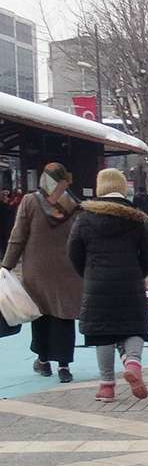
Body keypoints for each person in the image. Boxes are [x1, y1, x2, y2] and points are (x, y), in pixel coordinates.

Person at [68, 168, 148, 402]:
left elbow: (74, 251)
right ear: (122, 188)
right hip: (130, 282)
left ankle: (107, 387)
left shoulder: (84, 217)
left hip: (97, 284)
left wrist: (88, 273)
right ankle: (133, 364)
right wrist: (139, 273)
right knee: (134, 328)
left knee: (103, 334)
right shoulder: (136, 218)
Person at [1, 162, 84, 382]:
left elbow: (18, 237)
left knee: (40, 315)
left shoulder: (30, 201)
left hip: (37, 271)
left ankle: (43, 361)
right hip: (67, 270)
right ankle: (64, 366)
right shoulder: (74, 205)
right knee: (64, 316)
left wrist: (6, 265)